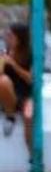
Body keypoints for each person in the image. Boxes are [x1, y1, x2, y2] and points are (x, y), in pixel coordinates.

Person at [0, 23, 35, 156]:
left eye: (11, 35)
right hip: (10, 95)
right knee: (2, 81)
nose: (7, 38)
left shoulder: (29, 55)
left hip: (26, 96)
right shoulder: (5, 52)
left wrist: (13, 65)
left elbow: (30, 79)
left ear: (20, 38)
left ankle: (33, 156)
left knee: (29, 115)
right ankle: (10, 116)